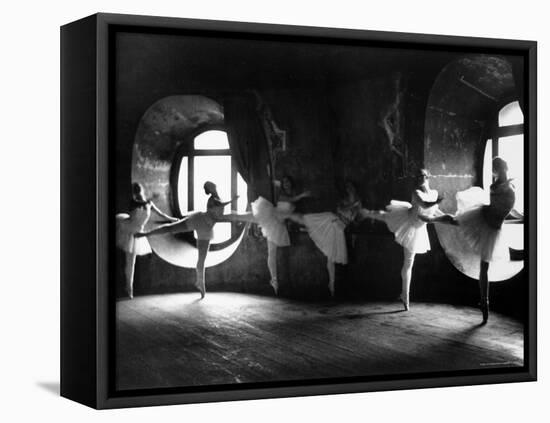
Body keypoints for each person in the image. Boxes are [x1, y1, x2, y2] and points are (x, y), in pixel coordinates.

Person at [360, 169, 452, 311]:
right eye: (417, 176)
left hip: (419, 228)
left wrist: (448, 217)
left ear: (428, 177)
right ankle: (366, 213)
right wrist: (438, 201)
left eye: (421, 175)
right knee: (385, 216)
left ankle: (404, 295)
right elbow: (424, 205)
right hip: (408, 223)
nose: (418, 178)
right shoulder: (416, 193)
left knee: (409, 263)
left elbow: (433, 211)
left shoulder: (433, 193)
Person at [136, 181, 237, 299]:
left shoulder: (216, 197)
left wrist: (232, 202)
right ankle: (146, 234)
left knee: (202, 259)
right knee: (170, 228)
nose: (214, 186)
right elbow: (219, 204)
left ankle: (201, 283)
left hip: (206, 229)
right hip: (199, 221)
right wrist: (232, 201)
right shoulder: (213, 199)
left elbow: (219, 208)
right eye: (211, 186)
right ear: (211, 187)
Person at [452, 157, 516, 324]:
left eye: (497, 168)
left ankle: (484, 302)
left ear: (503, 168)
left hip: (494, 227)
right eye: (496, 169)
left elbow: (507, 206)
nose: (496, 172)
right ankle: (484, 302)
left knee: (484, 266)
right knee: (457, 220)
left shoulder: (508, 187)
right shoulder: (496, 186)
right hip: (486, 219)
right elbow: (498, 196)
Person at [287, 181, 363, 296]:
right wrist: (352, 206)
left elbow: (355, 218)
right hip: (331, 221)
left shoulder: (358, 203)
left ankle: (331, 285)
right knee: (306, 219)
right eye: (347, 187)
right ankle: (286, 215)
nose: (349, 189)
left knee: (331, 257)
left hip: (339, 229)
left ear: (354, 189)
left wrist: (354, 209)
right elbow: (340, 209)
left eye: (350, 187)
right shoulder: (347, 201)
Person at [116, 182, 178, 299]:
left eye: (139, 189)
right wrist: (150, 198)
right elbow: (138, 204)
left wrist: (172, 219)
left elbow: (161, 213)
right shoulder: (133, 203)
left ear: (142, 190)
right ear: (134, 192)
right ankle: (129, 290)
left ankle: (129, 289)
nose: (138, 192)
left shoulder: (149, 203)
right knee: (130, 263)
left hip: (138, 232)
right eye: (136, 190)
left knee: (131, 263)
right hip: (128, 229)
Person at [251, 175, 311, 294]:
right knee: (271, 253)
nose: (286, 184)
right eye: (284, 183)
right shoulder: (283, 196)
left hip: (281, 224)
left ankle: (278, 281)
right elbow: (292, 200)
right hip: (273, 220)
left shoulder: (291, 194)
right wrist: (302, 195)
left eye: (288, 182)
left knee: (280, 254)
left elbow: (291, 208)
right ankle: (274, 280)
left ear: (291, 183)